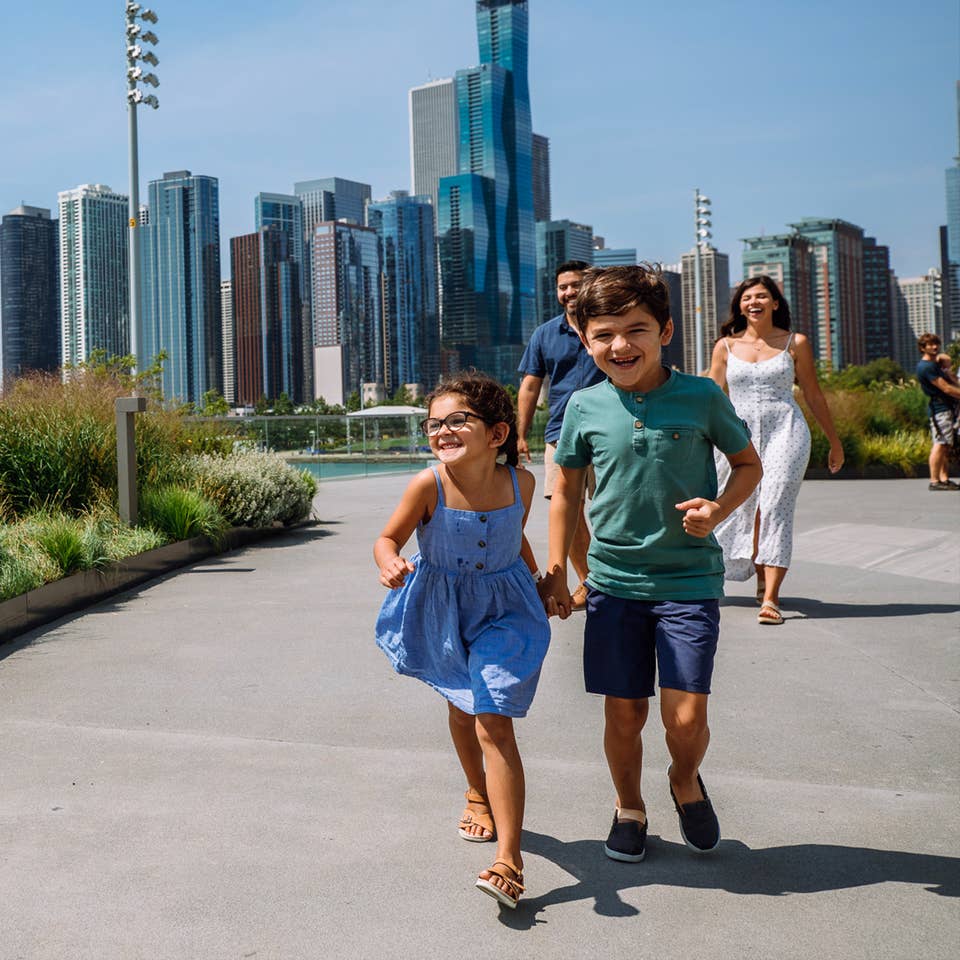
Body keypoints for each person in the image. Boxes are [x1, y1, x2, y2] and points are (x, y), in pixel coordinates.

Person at [540, 264, 762, 862]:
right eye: (603, 334)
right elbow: (564, 488)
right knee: (624, 711)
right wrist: (559, 566)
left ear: (664, 330)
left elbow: (749, 465)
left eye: (635, 329)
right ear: (583, 340)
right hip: (613, 583)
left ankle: (684, 779)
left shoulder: (700, 396)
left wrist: (716, 511)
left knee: (685, 718)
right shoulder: (583, 407)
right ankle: (629, 807)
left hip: (688, 578)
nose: (620, 345)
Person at [374, 372, 552, 910]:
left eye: (457, 420)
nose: (442, 431)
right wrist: (390, 563)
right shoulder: (428, 485)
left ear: (497, 433)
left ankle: (509, 859)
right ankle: (477, 791)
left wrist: (542, 581)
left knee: (492, 719)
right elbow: (387, 538)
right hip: (444, 610)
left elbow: (513, 536)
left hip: (507, 610)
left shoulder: (521, 483)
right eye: (434, 423)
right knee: (463, 710)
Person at [707, 276, 844, 626]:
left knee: (776, 505)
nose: (754, 302)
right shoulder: (725, 346)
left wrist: (834, 440)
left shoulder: (795, 343)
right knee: (736, 505)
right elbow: (711, 395)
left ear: (775, 303)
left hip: (787, 429)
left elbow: (812, 393)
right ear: (740, 305)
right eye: (747, 297)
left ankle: (771, 597)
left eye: (762, 296)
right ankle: (747, 569)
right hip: (737, 435)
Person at [517, 260, 606, 611]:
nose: (568, 292)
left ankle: (616, 578)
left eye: (575, 284)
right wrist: (519, 433)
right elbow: (529, 386)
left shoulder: (607, 326)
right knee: (565, 510)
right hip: (560, 433)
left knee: (611, 510)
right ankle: (589, 582)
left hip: (609, 432)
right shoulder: (544, 334)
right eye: (562, 286)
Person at [917, 333, 960, 490]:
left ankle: (944, 478)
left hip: (944, 409)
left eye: (936, 343)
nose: (934, 347)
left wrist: (942, 361)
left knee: (945, 445)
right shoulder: (927, 367)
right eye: (930, 344)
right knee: (940, 444)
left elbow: (945, 358)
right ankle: (934, 481)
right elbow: (946, 388)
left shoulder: (933, 365)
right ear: (922, 348)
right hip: (939, 409)